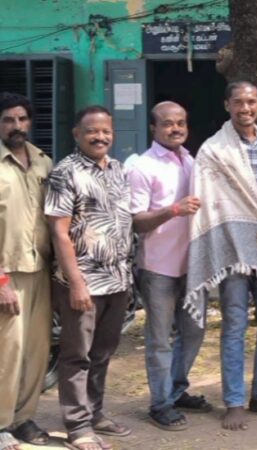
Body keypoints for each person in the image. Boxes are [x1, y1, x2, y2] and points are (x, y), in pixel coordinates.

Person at [185, 81, 257, 431]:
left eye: (251, 101)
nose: (245, 108)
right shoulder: (213, 149)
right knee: (235, 325)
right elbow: (211, 200)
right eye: (238, 102)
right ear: (227, 105)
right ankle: (234, 401)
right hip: (233, 250)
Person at [46, 105, 134, 450]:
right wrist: (77, 283)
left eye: (105, 131)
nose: (100, 137)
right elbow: (59, 231)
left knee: (102, 352)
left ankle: (95, 412)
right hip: (82, 283)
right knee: (76, 355)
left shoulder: (118, 170)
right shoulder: (64, 172)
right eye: (92, 131)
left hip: (117, 280)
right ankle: (78, 426)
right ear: (77, 134)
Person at [127, 101, 211, 432]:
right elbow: (137, 221)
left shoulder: (192, 161)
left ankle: (176, 390)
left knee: (194, 332)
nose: (175, 128)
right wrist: (173, 210)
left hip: (193, 266)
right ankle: (160, 404)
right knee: (160, 339)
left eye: (180, 123)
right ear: (153, 127)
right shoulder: (142, 167)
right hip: (158, 267)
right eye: (167, 123)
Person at [0, 92, 53, 450]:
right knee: (8, 351)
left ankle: (24, 418)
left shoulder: (43, 162)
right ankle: (2, 422)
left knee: (36, 350)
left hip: (41, 271)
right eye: (8, 120)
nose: (16, 126)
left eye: (21, 119)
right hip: (8, 273)